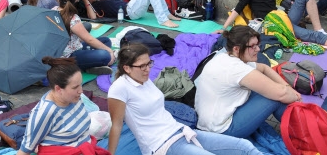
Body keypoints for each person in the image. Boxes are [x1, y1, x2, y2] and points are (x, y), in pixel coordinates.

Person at [107, 43, 261, 155]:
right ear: (126, 68)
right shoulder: (119, 88)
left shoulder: (143, 79)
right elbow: (116, 125)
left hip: (179, 131)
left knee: (244, 147)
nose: (148, 69)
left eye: (149, 63)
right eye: (142, 66)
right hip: (161, 145)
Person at [194, 26, 300, 138]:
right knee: (275, 97)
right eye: (252, 46)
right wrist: (295, 96)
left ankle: (299, 125)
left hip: (208, 121)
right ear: (236, 48)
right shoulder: (237, 68)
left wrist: (287, 87)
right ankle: (302, 131)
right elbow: (281, 93)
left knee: (273, 90)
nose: (258, 49)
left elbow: (264, 68)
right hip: (221, 130)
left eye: (257, 44)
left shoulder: (224, 56)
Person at [16, 56, 107, 155]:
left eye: (81, 84)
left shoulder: (75, 97)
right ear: (58, 89)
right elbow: (25, 149)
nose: (81, 90)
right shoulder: (45, 112)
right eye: (75, 87)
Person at [55, 0, 115, 75]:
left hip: (71, 48)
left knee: (106, 41)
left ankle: (90, 65)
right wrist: (110, 52)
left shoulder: (52, 11)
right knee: (106, 55)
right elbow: (89, 39)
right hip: (69, 58)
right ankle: (87, 65)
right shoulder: (72, 18)